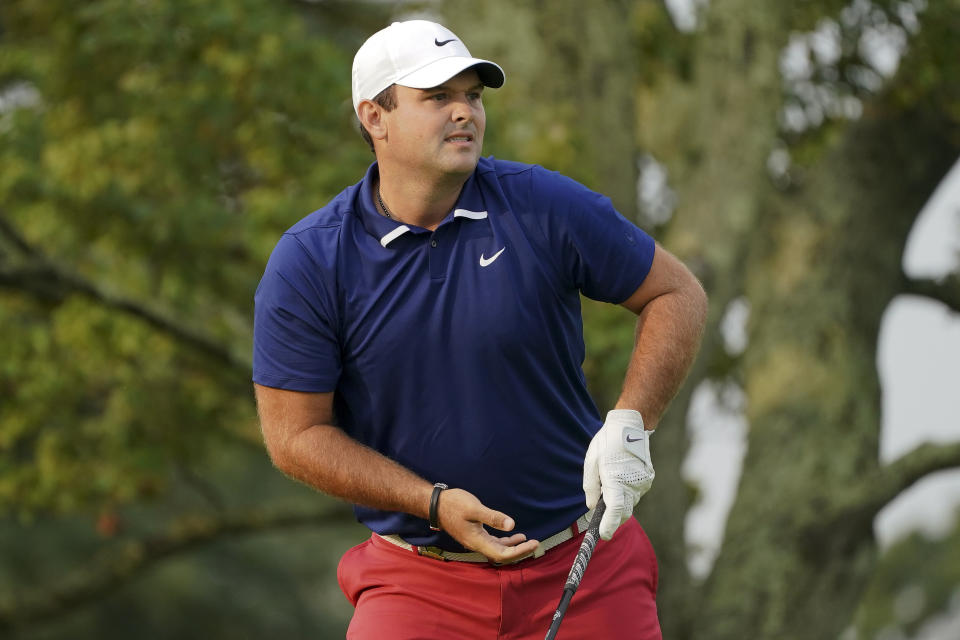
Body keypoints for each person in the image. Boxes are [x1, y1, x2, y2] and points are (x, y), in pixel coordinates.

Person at [253, 19, 706, 640]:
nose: (464, 112)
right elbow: (294, 435)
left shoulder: (541, 204)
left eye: (472, 95)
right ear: (374, 117)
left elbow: (675, 292)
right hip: (417, 582)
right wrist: (432, 502)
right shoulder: (311, 260)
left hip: (583, 567)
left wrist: (632, 420)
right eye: (438, 97)